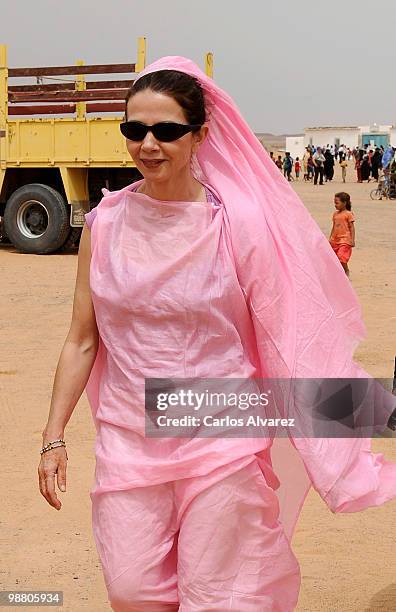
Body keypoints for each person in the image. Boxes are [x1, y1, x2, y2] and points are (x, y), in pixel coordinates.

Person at [38, 56, 396, 612]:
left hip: (220, 427)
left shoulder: (236, 221)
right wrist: (54, 434)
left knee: (218, 594)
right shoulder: (105, 223)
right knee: (131, 591)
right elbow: (82, 337)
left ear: (201, 134)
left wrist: (364, 412)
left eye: (166, 130)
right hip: (129, 435)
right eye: (134, 130)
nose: (147, 144)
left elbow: (287, 338)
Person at [329, 192, 355, 277]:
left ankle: (346, 270)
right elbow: (334, 226)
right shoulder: (335, 214)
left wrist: (352, 239)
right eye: (334, 203)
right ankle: (339, 273)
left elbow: (351, 227)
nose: (335, 205)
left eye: (337, 203)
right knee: (335, 258)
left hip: (345, 239)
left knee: (342, 257)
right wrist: (331, 238)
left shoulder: (348, 214)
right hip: (335, 240)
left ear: (344, 203)